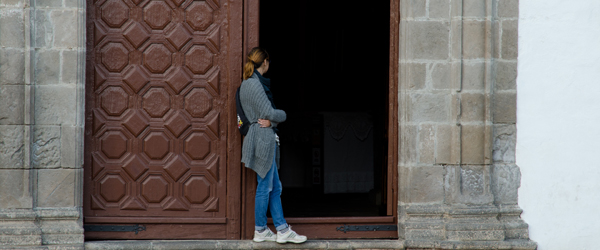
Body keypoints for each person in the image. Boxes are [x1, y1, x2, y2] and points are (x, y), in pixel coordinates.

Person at [239, 47, 307, 244]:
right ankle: (260, 229)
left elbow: (268, 117)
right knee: (265, 186)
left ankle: (281, 229)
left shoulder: (249, 83)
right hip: (263, 140)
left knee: (274, 187)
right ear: (265, 62)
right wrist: (282, 116)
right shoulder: (254, 85)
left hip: (263, 136)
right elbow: (269, 112)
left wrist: (272, 121)